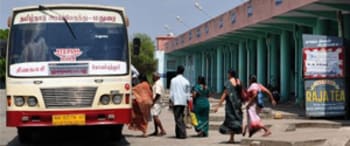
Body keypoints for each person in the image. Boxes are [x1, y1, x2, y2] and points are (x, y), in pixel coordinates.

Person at [214, 69, 242, 143]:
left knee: (230, 120)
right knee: (235, 119)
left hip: (230, 105)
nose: (227, 75)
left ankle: (231, 138)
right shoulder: (238, 81)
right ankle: (232, 138)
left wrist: (218, 106)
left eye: (228, 74)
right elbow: (241, 93)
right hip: (237, 104)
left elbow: (224, 94)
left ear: (230, 74)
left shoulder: (228, 83)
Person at [170, 65, 191, 139]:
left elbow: (171, 93)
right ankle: (178, 133)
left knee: (177, 118)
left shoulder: (173, 80)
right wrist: (188, 100)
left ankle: (182, 133)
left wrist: (171, 101)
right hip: (183, 101)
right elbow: (188, 92)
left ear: (177, 70)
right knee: (180, 117)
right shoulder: (186, 81)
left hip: (176, 101)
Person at [150, 72, 167, 136]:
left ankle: (162, 130)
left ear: (156, 77)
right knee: (155, 116)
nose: (152, 78)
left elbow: (158, 94)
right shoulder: (158, 83)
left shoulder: (158, 84)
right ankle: (156, 131)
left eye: (153, 76)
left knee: (155, 116)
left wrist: (153, 102)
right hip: (157, 102)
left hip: (157, 102)